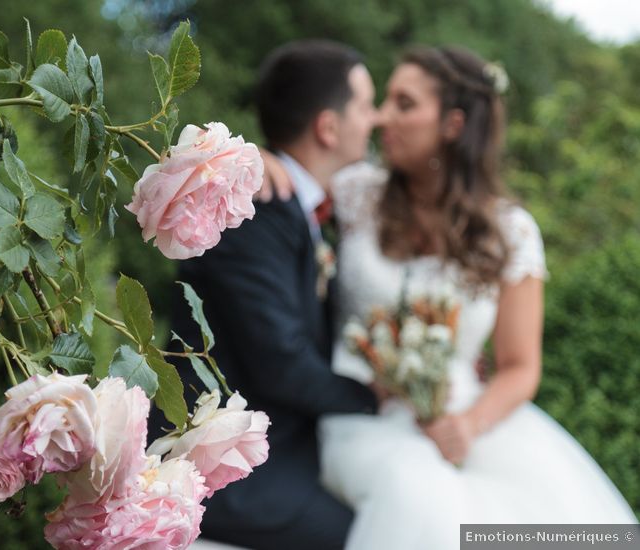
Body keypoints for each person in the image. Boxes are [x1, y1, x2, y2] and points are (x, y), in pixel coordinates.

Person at [267, 46, 636, 549]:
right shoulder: (355, 194)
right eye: (384, 101)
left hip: (467, 417)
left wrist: (469, 424)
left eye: (404, 103)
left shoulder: (512, 232)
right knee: (422, 493)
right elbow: (299, 174)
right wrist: (258, 159)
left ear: (453, 125)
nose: (381, 118)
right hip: (359, 414)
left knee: (543, 528)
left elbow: (520, 365)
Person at [151, 40, 380, 549]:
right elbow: (281, 363)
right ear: (328, 127)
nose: (377, 118)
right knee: (377, 530)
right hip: (237, 473)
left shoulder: (315, 205)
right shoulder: (253, 213)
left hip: (304, 441)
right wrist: (379, 398)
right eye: (367, 105)